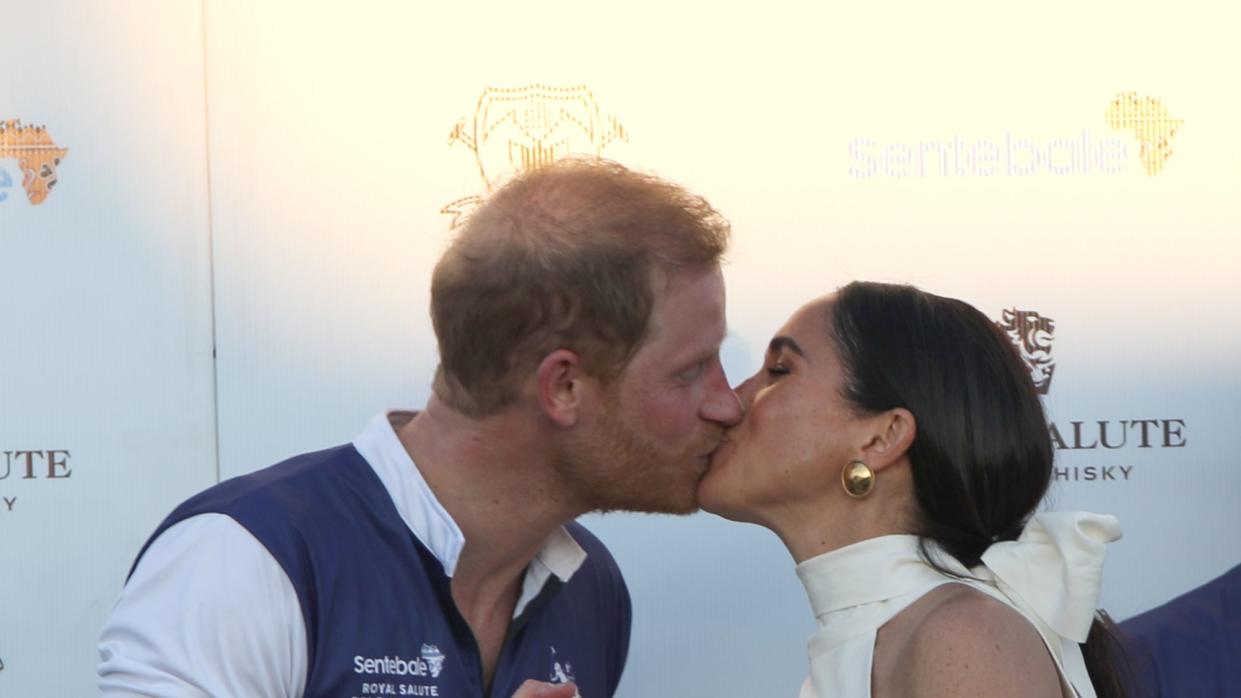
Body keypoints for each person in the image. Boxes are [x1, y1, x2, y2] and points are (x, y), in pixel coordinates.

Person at [97, 158, 744, 697]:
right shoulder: (246, 557)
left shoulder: (590, 588)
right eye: (690, 370)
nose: (727, 404)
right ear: (564, 387)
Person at [698, 281, 1131, 698]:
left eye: (779, 371)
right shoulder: (909, 629)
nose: (732, 400)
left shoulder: (962, 637)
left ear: (882, 437)